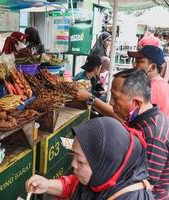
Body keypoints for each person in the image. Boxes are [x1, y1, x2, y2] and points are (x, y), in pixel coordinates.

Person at [73, 68, 169, 199]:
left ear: (136, 103)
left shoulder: (153, 136)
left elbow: (144, 185)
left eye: (115, 97)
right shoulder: (139, 117)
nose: (111, 102)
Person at [26, 117, 153, 200]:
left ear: (106, 163)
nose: (73, 164)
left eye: (81, 161)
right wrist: (47, 185)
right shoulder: (102, 178)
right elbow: (74, 185)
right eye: (73, 154)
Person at [128, 45, 169, 116]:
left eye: (139, 61)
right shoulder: (165, 84)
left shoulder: (148, 88)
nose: (134, 65)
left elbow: (131, 116)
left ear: (152, 67)